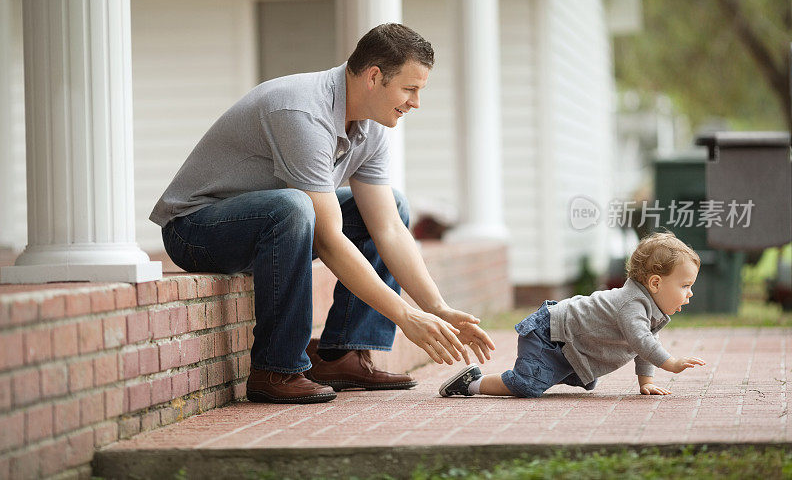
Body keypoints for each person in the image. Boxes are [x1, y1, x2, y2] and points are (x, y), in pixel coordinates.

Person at [150, 23, 495, 404]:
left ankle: (341, 355)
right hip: (195, 229)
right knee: (293, 206)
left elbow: (388, 229)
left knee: (390, 204)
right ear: (374, 76)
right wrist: (405, 315)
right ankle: (276, 369)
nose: (416, 102)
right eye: (409, 89)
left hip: (272, 227)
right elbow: (329, 240)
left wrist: (437, 308)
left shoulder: (372, 124)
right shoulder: (302, 110)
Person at [439, 232, 706, 398]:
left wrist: (645, 382)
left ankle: (541, 373)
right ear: (656, 283)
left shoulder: (649, 309)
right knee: (527, 386)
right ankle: (472, 383)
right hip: (550, 333)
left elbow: (648, 343)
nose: (690, 293)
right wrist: (670, 363)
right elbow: (641, 341)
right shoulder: (632, 304)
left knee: (569, 379)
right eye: (685, 286)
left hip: (568, 344)